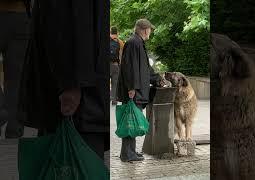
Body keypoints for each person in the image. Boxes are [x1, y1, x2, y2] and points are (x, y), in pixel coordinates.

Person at [18, 0, 108, 159]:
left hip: (83, 90)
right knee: (74, 162)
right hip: (80, 96)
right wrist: (70, 83)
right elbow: (64, 19)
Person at [117, 19, 165, 162]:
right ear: (145, 30)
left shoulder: (137, 42)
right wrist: (131, 88)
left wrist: (157, 79)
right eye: (150, 29)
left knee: (133, 120)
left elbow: (145, 69)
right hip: (133, 91)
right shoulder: (134, 43)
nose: (150, 32)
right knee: (130, 121)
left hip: (136, 90)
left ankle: (130, 151)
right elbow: (129, 67)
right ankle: (127, 154)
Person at [0, 0, 29, 138]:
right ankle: (14, 127)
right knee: (16, 77)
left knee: (15, 77)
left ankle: (1, 112)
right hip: (21, 15)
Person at [110, 26, 124, 106]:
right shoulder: (120, 42)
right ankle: (114, 100)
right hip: (115, 65)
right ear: (117, 33)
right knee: (115, 83)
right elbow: (122, 55)